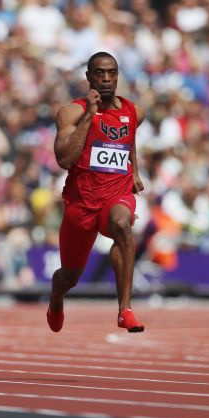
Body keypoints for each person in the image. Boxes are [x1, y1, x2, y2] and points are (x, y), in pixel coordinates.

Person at [47, 51, 146, 333]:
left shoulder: (134, 112)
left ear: (117, 76)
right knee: (70, 277)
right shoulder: (72, 112)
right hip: (81, 204)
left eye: (111, 73)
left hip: (116, 195)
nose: (105, 79)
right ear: (88, 77)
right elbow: (64, 159)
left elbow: (129, 141)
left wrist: (134, 170)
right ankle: (56, 297)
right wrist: (90, 116)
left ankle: (124, 310)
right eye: (99, 73)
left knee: (122, 226)